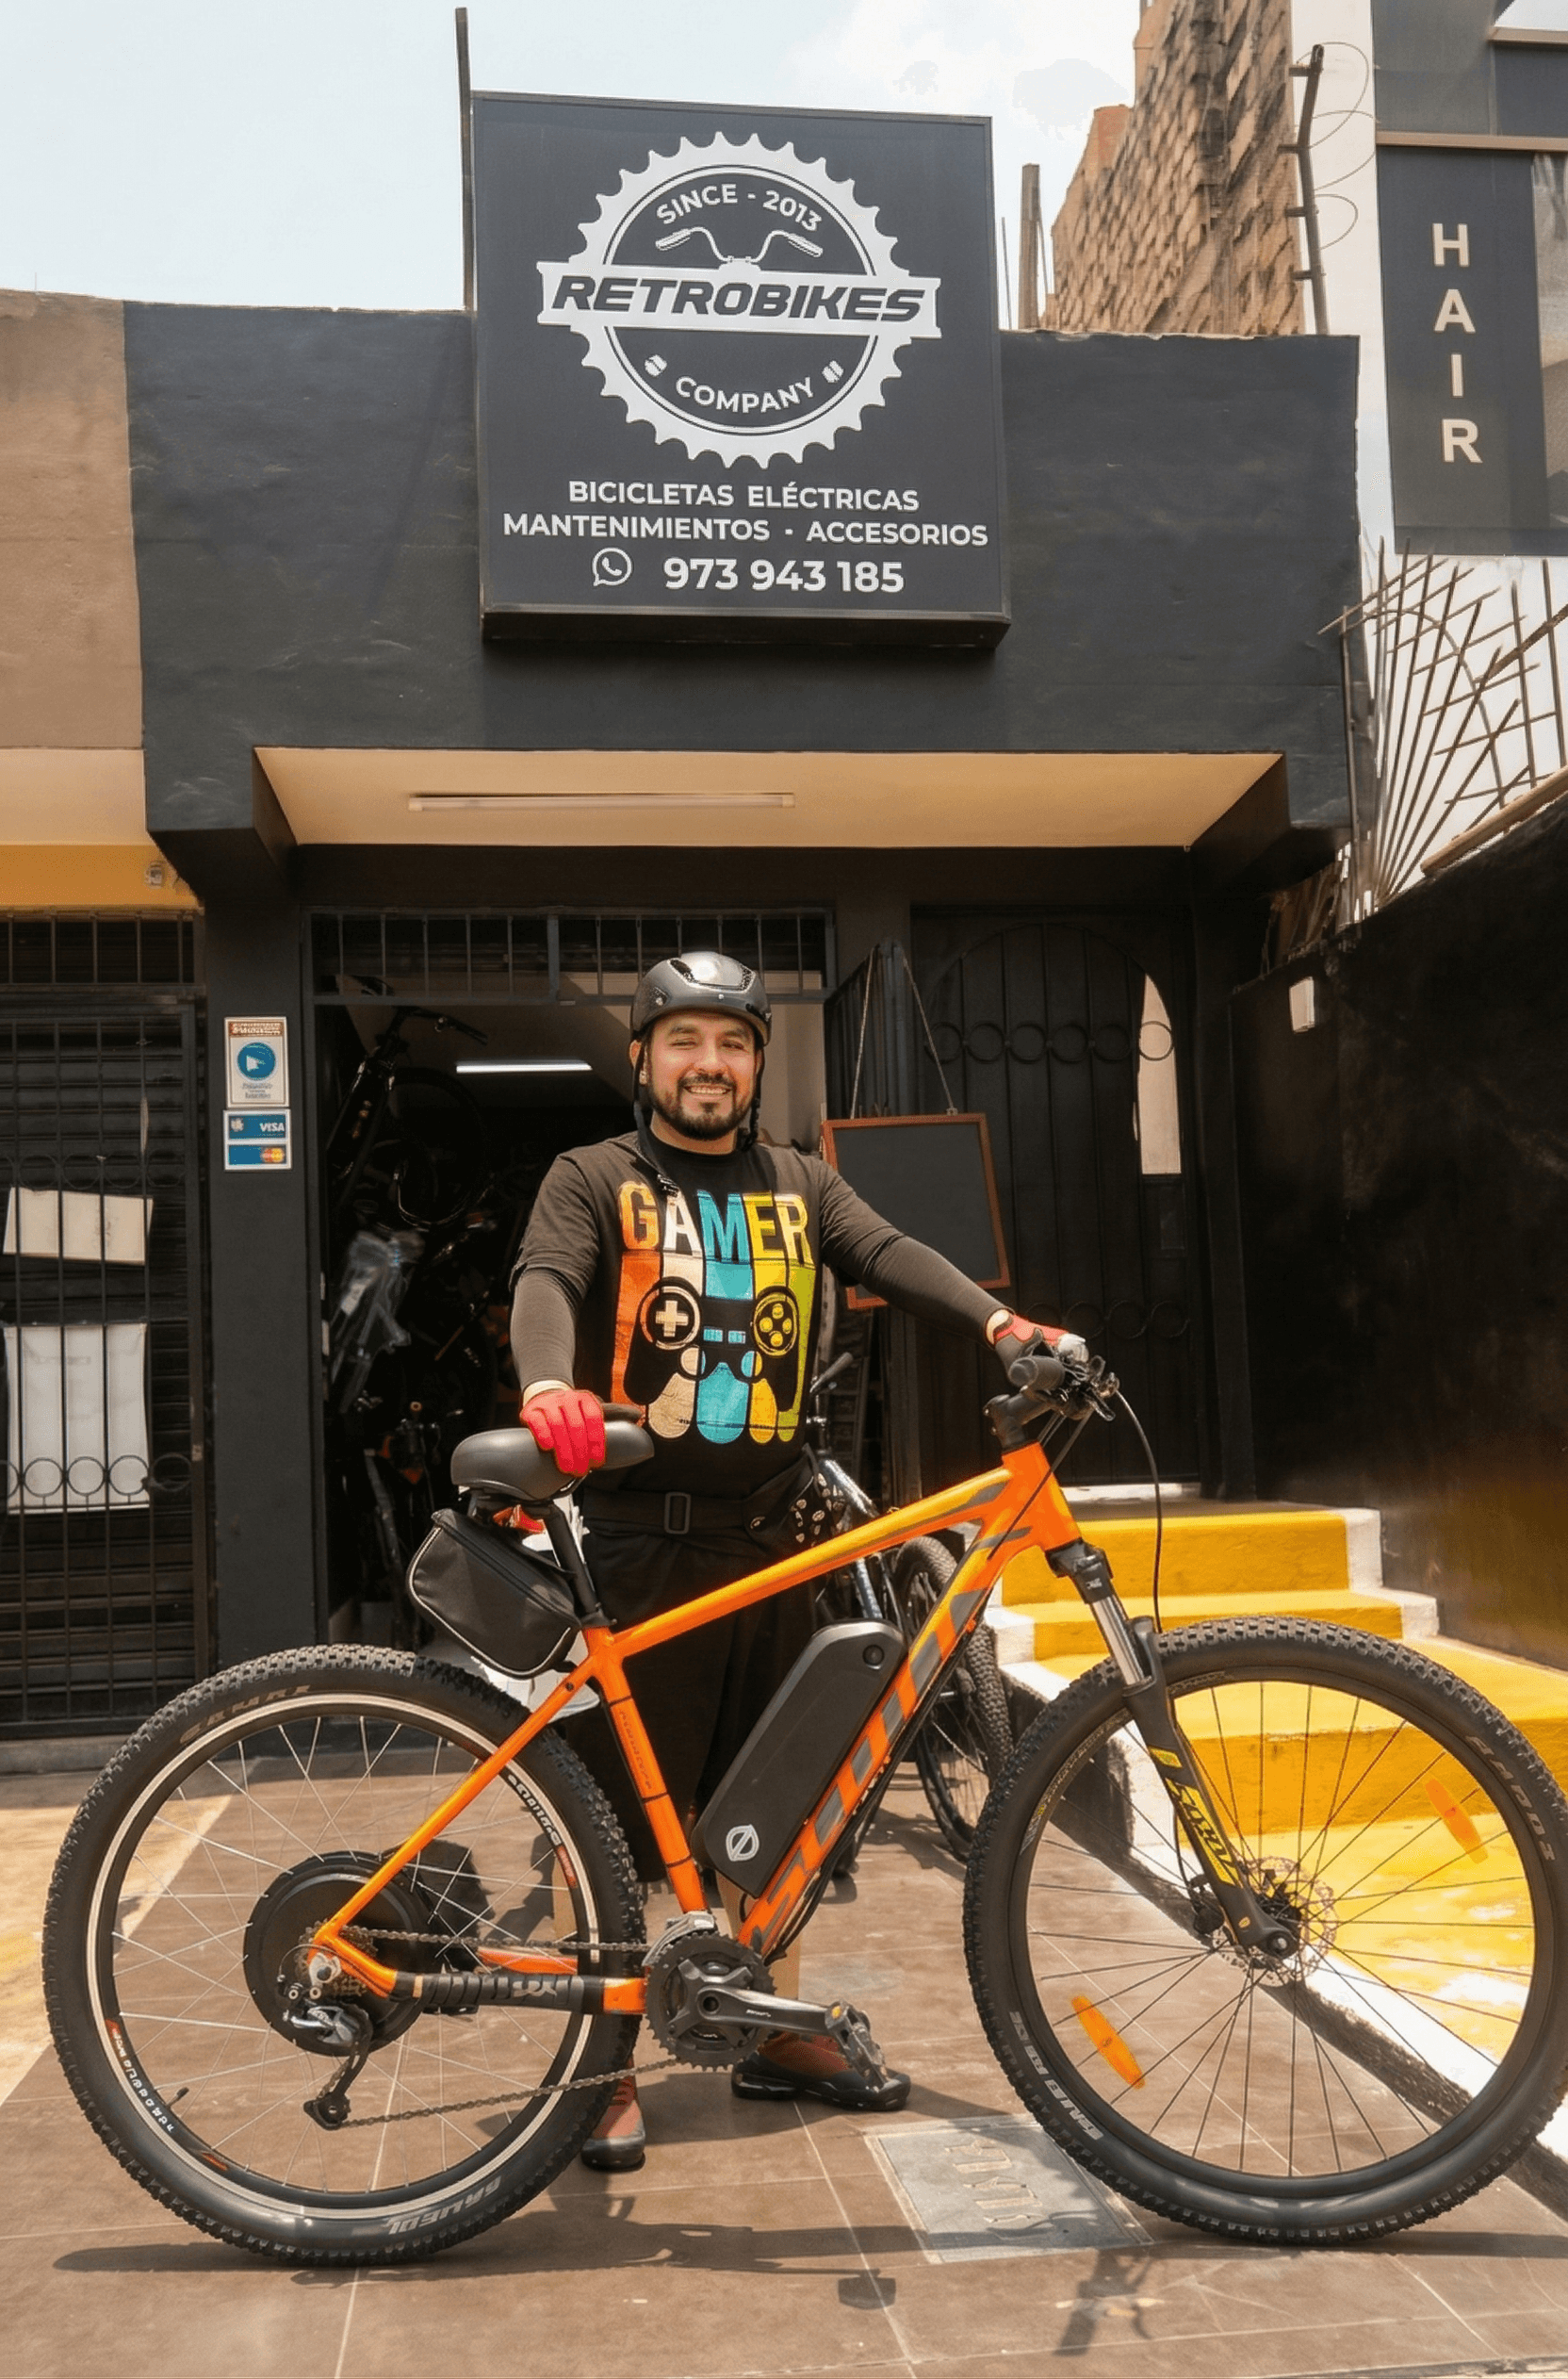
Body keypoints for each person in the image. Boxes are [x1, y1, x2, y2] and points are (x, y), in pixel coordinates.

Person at [509, 951, 1072, 2172]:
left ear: (755, 1062)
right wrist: (548, 1384)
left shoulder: (798, 1181)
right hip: (640, 1550)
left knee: (786, 1812)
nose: (708, 1064)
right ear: (645, 1057)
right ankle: (599, 2066)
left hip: (775, 1543)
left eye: (731, 1044)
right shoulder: (592, 1177)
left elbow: (883, 1250)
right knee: (603, 1821)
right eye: (684, 1042)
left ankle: (768, 2027)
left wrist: (998, 1322)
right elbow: (545, 1281)